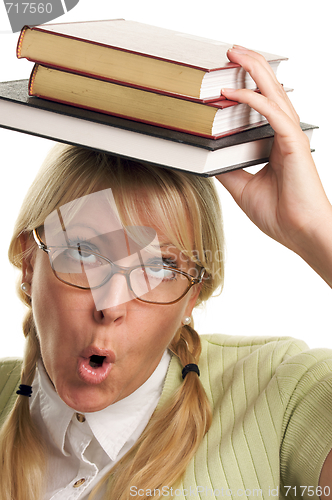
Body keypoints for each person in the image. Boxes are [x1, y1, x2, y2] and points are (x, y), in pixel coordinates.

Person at [0, 46, 332, 500]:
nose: (110, 304)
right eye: (83, 251)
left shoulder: (285, 390)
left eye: (159, 266)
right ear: (30, 260)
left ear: (192, 298)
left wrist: (315, 231)